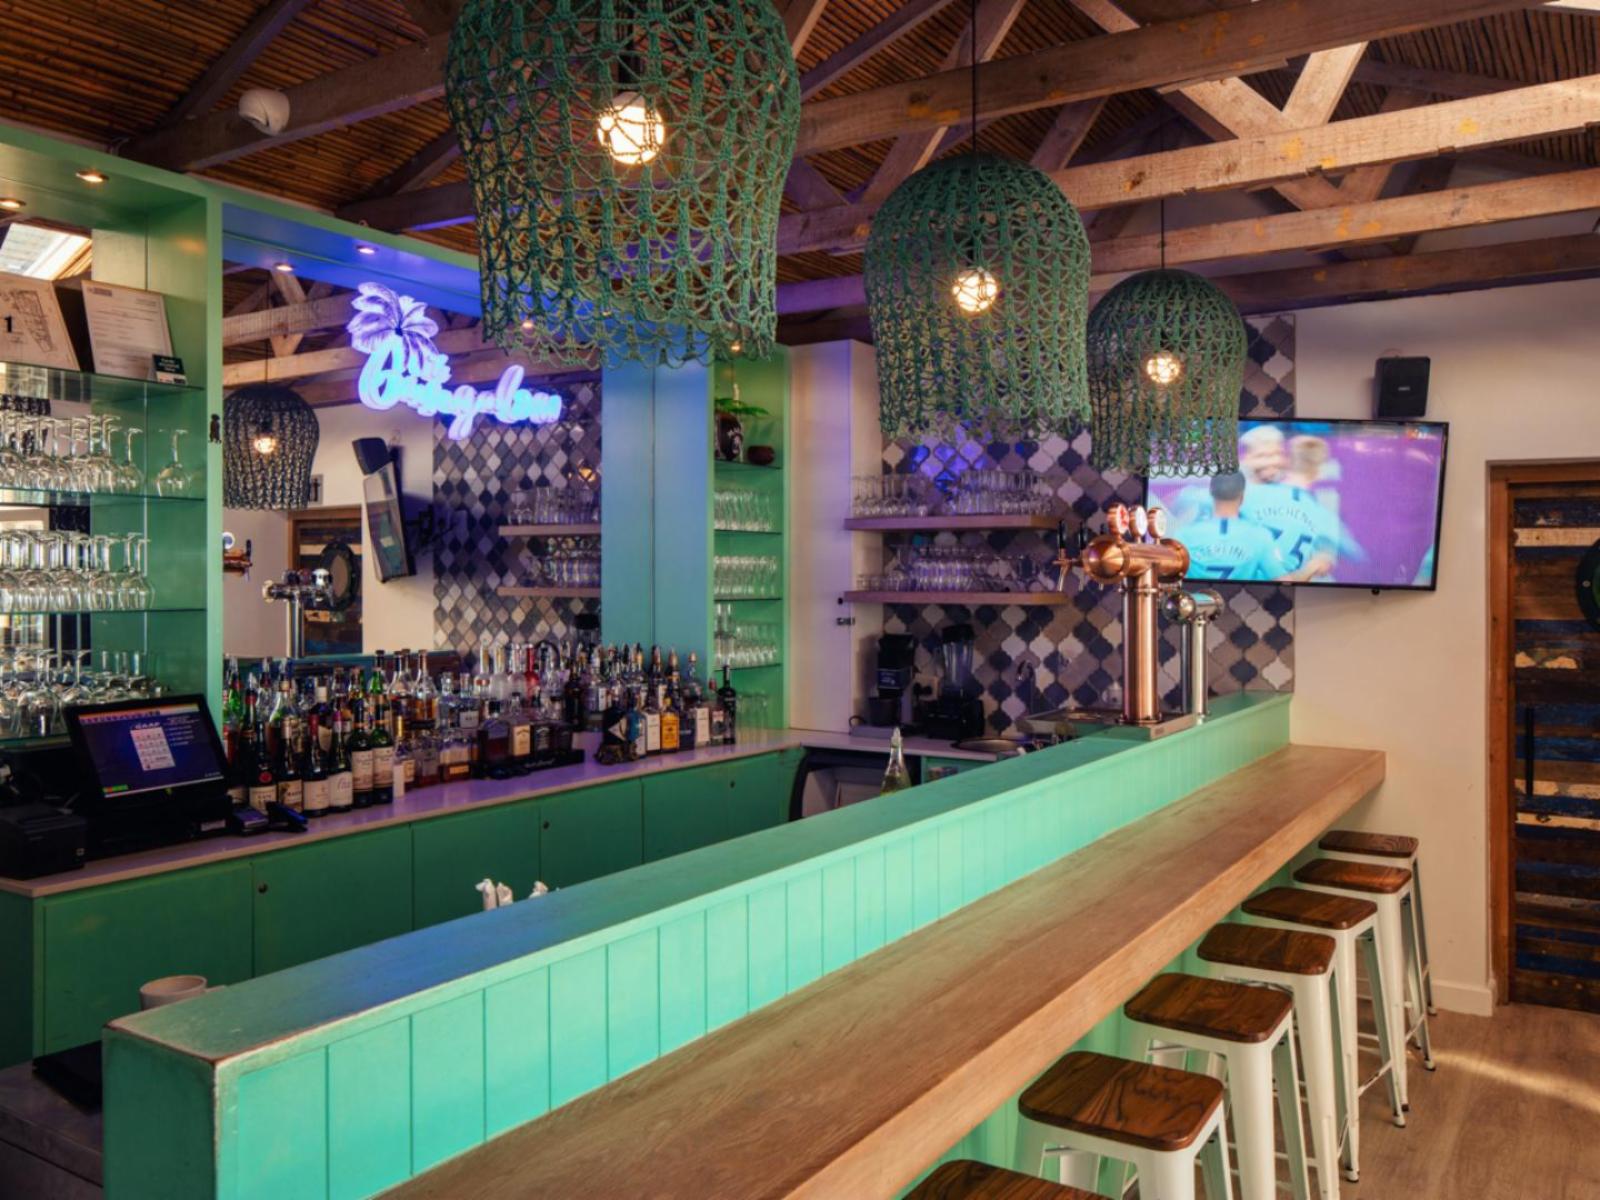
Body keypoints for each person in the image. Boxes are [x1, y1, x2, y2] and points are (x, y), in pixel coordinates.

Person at [1237, 426, 1341, 581]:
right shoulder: (1234, 501)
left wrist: (1320, 559)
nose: (1272, 461)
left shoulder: (1302, 498)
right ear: (1244, 459)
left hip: (1308, 590)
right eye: (1262, 456)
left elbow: (1325, 554)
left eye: (1277, 454)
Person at [1181, 472, 1289, 582]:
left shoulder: (1184, 535)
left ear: (1211, 492)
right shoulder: (1260, 536)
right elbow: (1282, 580)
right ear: (1242, 497)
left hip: (1197, 594)